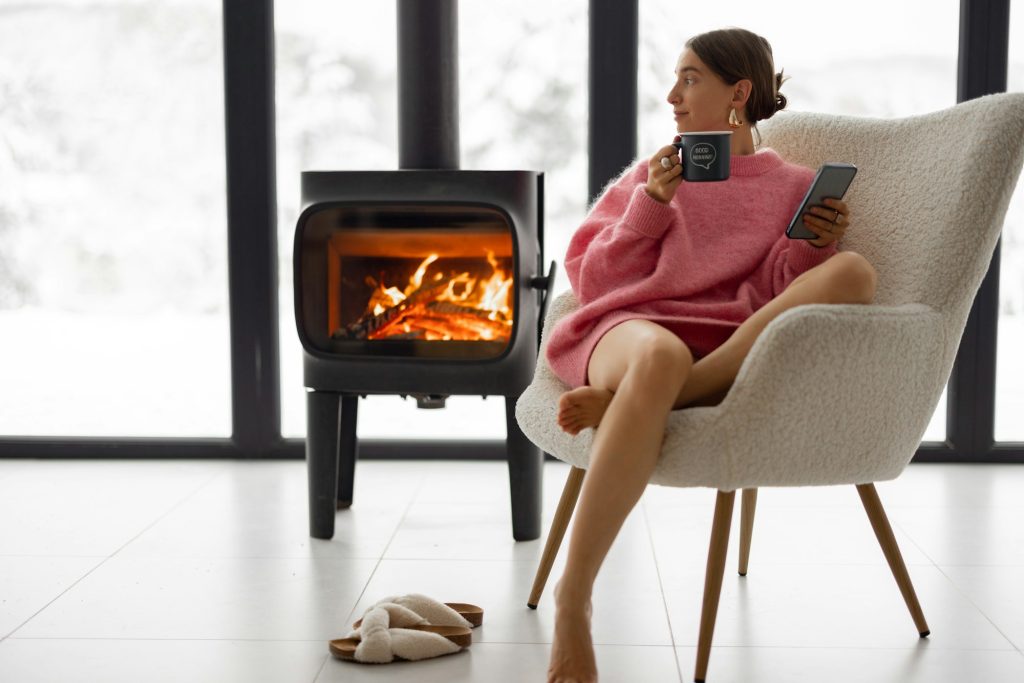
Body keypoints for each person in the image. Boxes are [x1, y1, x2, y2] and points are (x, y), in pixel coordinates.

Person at [543, 27, 878, 683]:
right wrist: (651, 205)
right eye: (676, 79)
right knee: (659, 359)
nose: (672, 96)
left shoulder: (794, 185)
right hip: (629, 331)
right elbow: (592, 280)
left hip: (727, 345)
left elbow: (779, 296)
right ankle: (572, 598)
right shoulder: (653, 175)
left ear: (739, 93)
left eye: (690, 78)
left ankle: (645, 401)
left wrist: (814, 244)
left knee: (855, 271)